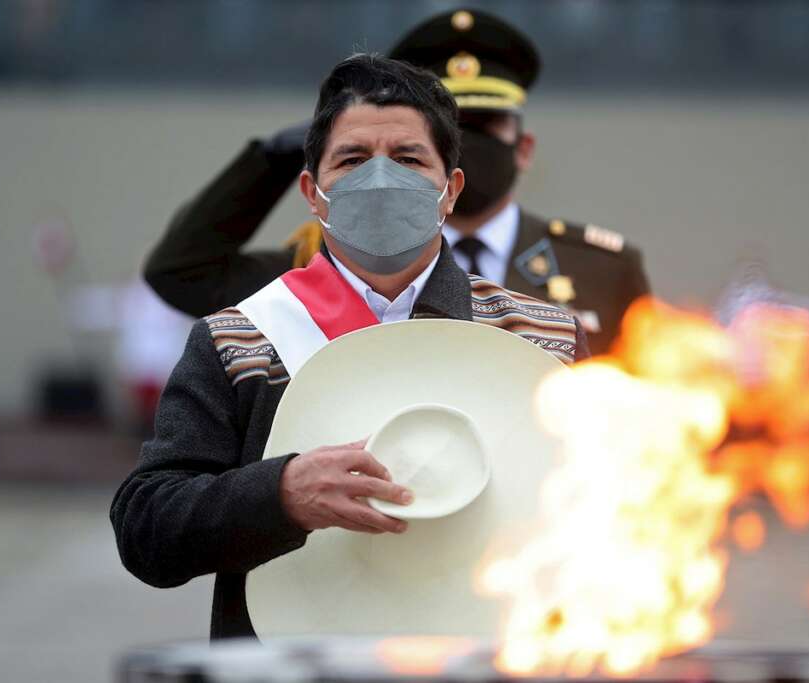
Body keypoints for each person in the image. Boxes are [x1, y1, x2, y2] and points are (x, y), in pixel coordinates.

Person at [111, 54, 587, 640]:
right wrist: (279, 495)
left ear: (450, 189)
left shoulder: (541, 339)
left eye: (410, 159)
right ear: (312, 192)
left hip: (487, 658)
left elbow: (600, 522)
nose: (381, 179)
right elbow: (145, 530)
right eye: (353, 160)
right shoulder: (240, 339)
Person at [142, 8, 649, 354]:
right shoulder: (332, 264)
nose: (468, 142)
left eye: (484, 126)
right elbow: (182, 274)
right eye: (452, 128)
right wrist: (270, 159)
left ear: (524, 147)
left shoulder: (602, 269)